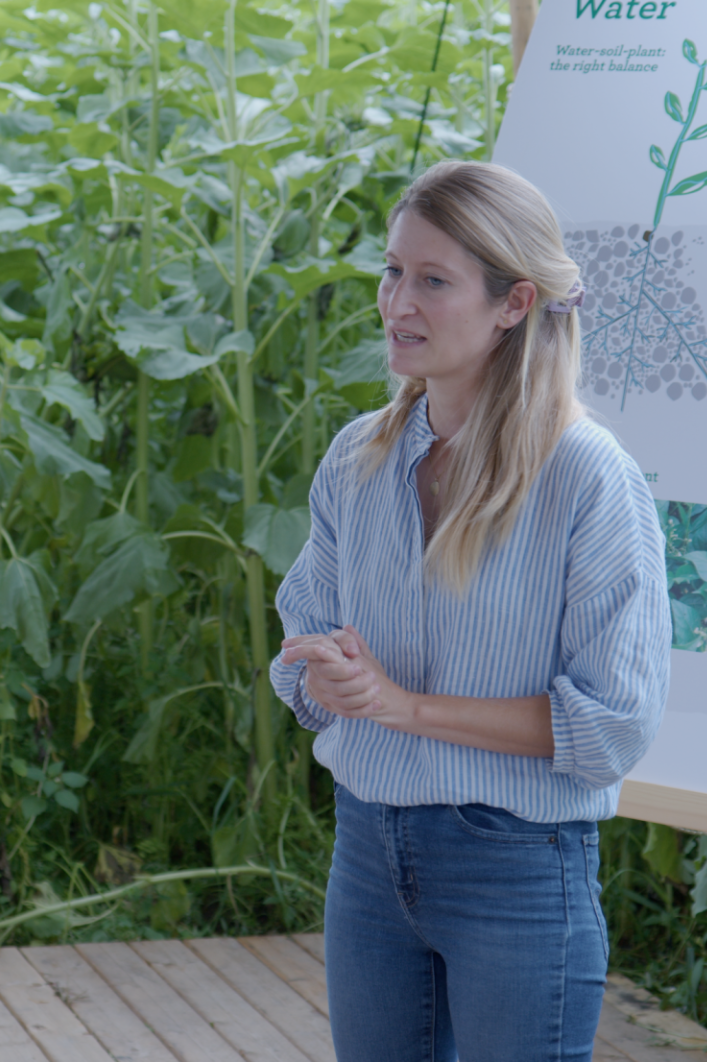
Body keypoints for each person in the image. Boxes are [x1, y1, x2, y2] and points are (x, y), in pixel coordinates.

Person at [271, 160, 670, 1062]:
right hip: (367, 852)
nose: (396, 302)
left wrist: (401, 707)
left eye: (433, 281)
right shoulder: (355, 459)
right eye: (392, 270)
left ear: (514, 303)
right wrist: (324, 675)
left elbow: (613, 726)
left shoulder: (587, 475)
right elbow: (300, 645)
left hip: (519, 868)